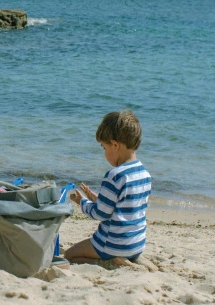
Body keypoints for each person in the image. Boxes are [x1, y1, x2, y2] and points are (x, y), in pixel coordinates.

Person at [65, 110, 151, 267]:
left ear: (115, 145)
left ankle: (112, 262)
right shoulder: (144, 174)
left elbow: (101, 213)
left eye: (104, 148)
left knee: (69, 256)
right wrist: (95, 198)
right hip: (136, 244)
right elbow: (123, 207)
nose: (104, 153)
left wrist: (82, 202)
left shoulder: (115, 175)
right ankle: (128, 259)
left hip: (113, 244)